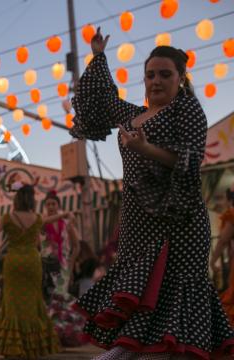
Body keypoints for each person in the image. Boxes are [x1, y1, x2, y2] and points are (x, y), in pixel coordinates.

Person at [70, 27, 234, 359]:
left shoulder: (186, 110)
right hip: (137, 218)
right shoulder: (132, 115)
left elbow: (188, 160)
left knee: (175, 292)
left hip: (178, 218)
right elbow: (104, 98)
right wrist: (99, 56)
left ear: (180, 78)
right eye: (149, 75)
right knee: (140, 289)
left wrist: (145, 147)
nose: (156, 81)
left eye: (164, 74)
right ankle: (131, 349)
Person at [0, 184, 61, 358]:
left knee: (12, 301)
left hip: (13, 261)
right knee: (33, 300)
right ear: (32, 199)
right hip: (33, 262)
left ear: (17, 199)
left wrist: (0, 255)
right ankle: (32, 346)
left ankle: (13, 347)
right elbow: (39, 241)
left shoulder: (7, 218)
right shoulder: (37, 218)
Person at [41, 190, 86, 347]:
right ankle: (52, 335)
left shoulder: (66, 224)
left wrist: (72, 264)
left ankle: (60, 335)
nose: (51, 206)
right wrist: (65, 214)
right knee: (49, 299)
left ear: (58, 205)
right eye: (48, 204)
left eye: (53, 204)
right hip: (46, 265)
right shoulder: (43, 220)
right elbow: (42, 223)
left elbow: (77, 246)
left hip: (63, 266)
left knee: (59, 300)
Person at [210, 186, 234, 325]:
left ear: (230, 199)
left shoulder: (231, 214)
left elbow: (223, 240)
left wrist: (213, 261)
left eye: (223, 198)